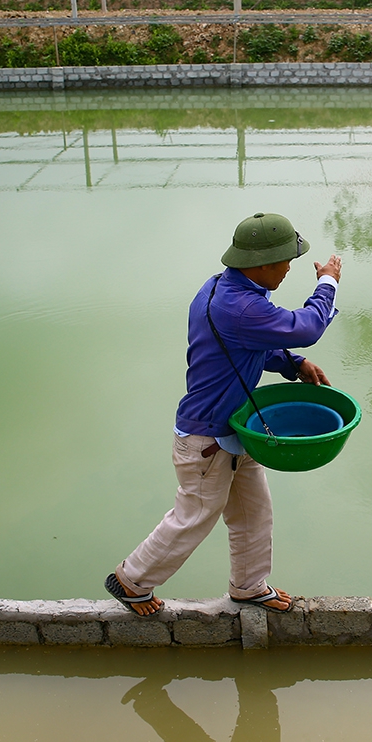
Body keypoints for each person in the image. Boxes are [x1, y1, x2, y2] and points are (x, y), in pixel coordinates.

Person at [106, 212, 342, 621]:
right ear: (263, 263)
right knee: (195, 514)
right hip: (207, 439)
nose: (289, 268)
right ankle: (131, 580)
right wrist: (328, 282)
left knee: (254, 512)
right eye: (286, 261)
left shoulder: (224, 289)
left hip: (237, 429)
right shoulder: (241, 305)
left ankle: (249, 587)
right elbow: (306, 325)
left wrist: (293, 363)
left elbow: (251, 344)